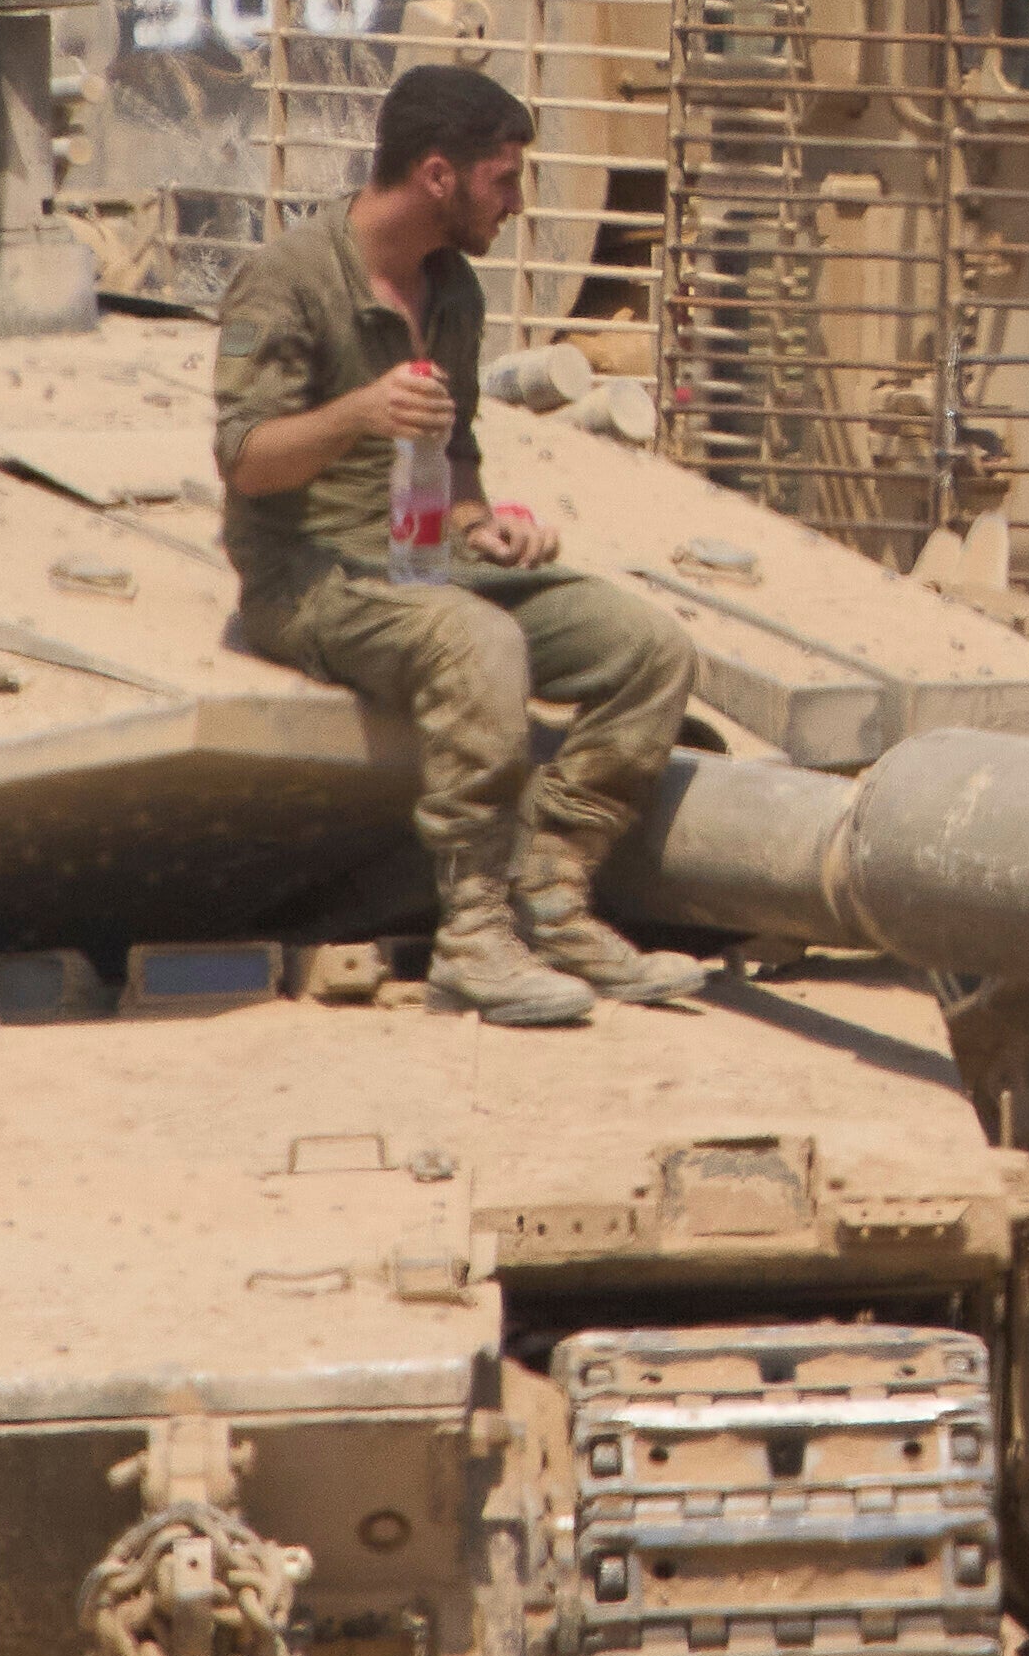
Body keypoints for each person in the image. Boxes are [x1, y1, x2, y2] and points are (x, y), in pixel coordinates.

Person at [202, 63, 707, 1025]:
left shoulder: (453, 291)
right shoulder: (291, 281)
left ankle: (555, 897)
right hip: (308, 577)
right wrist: (358, 411)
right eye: (505, 180)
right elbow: (245, 460)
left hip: (425, 556)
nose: (515, 204)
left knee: (648, 648)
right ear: (440, 176)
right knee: (480, 645)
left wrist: (488, 523)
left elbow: (455, 454)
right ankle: (474, 934)